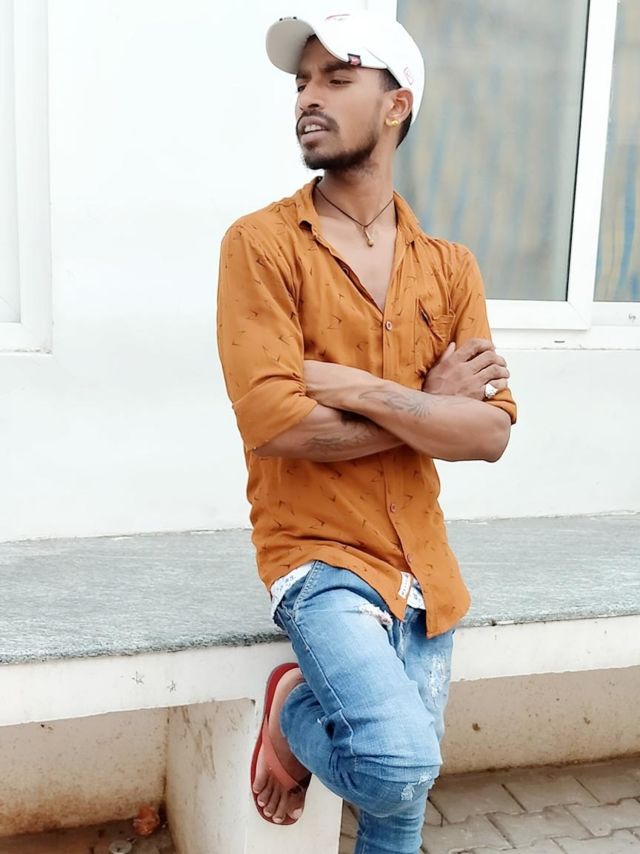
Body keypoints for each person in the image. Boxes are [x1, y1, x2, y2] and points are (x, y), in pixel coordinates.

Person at [217, 10, 516, 853]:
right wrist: (428, 408)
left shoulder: (450, 268)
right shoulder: (261, 246)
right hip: (318, 557)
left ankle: (305, 718)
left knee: (398, 811)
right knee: (396, 765)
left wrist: (358, 389)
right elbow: (274, 421)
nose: (307, 97)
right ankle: (294, 713)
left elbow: (490, 434)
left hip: (424, 567)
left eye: (336, 78)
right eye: (301, 82)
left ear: (396, 105)